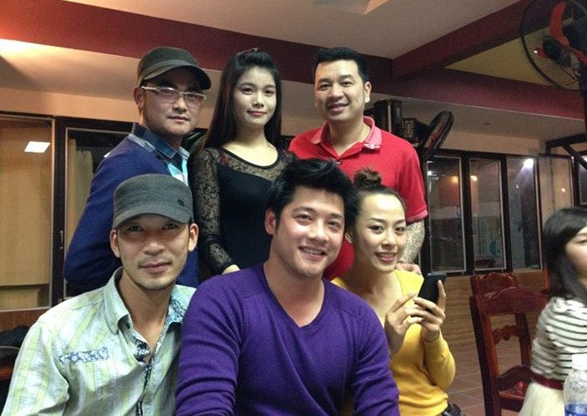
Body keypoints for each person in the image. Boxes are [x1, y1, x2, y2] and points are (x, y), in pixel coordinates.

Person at [176, 159, 399, 415]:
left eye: (333, 224)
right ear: (272, 221)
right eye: (304, 218)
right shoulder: (221, 301)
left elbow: (381, 407)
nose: (319, 234)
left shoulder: (359, 318)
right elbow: (203, 407)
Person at [2, 174, 199, 415]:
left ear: (192, 237)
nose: (153, 246)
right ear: (115, 243)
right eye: (134, 229)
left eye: (169, 227)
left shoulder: (206, 313)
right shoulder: (57, 332)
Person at [65, 46, 211, 291]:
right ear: (140, 98)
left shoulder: (182, 161)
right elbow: (82, 267)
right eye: (166, 91)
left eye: (192, 95)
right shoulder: (125, 163)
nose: (181, 105)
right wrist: (152, 295)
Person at [289, 46, 427, 279]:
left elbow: (414, 221)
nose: (335, 93)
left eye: (345, 83)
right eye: (324, 86)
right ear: (315, 96)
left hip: (372, 288)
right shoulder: (298, 147)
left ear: (366, 90)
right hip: (308, 285)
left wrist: (399, 263)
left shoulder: (402, 152)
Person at [334, 169, 457, 416]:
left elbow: (445, 380)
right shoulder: (332, 300)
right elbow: (338, 401)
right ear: (349, 232)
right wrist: (386, 347)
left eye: (399, 229)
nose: (391, 241)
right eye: (377, 228)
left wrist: (433, 336)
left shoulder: (414, 285)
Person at [190, 48, 295, 276]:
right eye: (248, 90)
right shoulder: (210, 159)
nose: (259, 101)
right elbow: (208, 239)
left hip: (286, 282)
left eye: (268, 92)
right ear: (229, 94)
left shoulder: (290, 162)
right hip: (234, 283)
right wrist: (242, 281)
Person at [519, 207, 587, 416]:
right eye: (584, 241)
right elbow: (579, 385)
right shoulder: (569, 312)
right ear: (561, 253)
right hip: (564, 405)